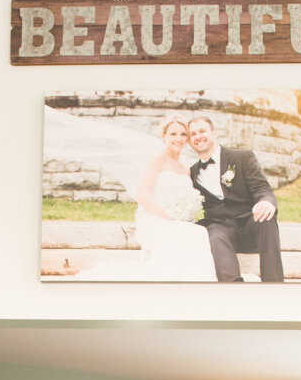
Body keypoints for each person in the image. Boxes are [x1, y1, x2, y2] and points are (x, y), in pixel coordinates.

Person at [67, 117, 216, 282]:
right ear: (164, 136)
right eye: (173, 134)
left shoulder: (185, 167)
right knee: (192, 233)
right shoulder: (157, 159)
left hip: (178, 220)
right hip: (156, 219)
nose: (178, 138)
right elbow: (143, 194)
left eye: (183, 134)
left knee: (198, 232)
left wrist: (185, 213)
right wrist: (168, 215)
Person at [187, 116, 285, 282]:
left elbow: (262, 188)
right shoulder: (192, 173)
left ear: (214, 133)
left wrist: (266, 201)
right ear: (189, 141)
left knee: (267, 217)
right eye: (193, 134)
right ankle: (233, 287)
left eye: (202, 131)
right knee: (214, 236)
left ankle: (274, 284)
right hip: (220, 227)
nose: (198, 136)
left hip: (248, 223)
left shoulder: (242, 157)